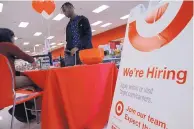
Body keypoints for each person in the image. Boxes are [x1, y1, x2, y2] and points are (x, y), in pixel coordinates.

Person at [0, 28, 41, 122]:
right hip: (9, 82)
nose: (14, 39)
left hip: (2, 84)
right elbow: (22, 55)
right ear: (8, 36)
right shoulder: (7, 45)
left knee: (28, 85)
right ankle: (33, 108)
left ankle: (21, 110)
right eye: (13, 36)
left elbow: (7, 68)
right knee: (37, 81)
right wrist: (33, 61)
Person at [61, 2, 93, 66]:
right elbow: (68, 40)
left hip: (84, 52)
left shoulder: (83, 20)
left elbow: (88, 36)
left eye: (64, 10)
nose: (64, 13)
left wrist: (77, 47)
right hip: (73, 56)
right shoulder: (68, 26)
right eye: (63, 12)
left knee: (86, 73)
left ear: (71, 8)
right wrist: (67, 50)